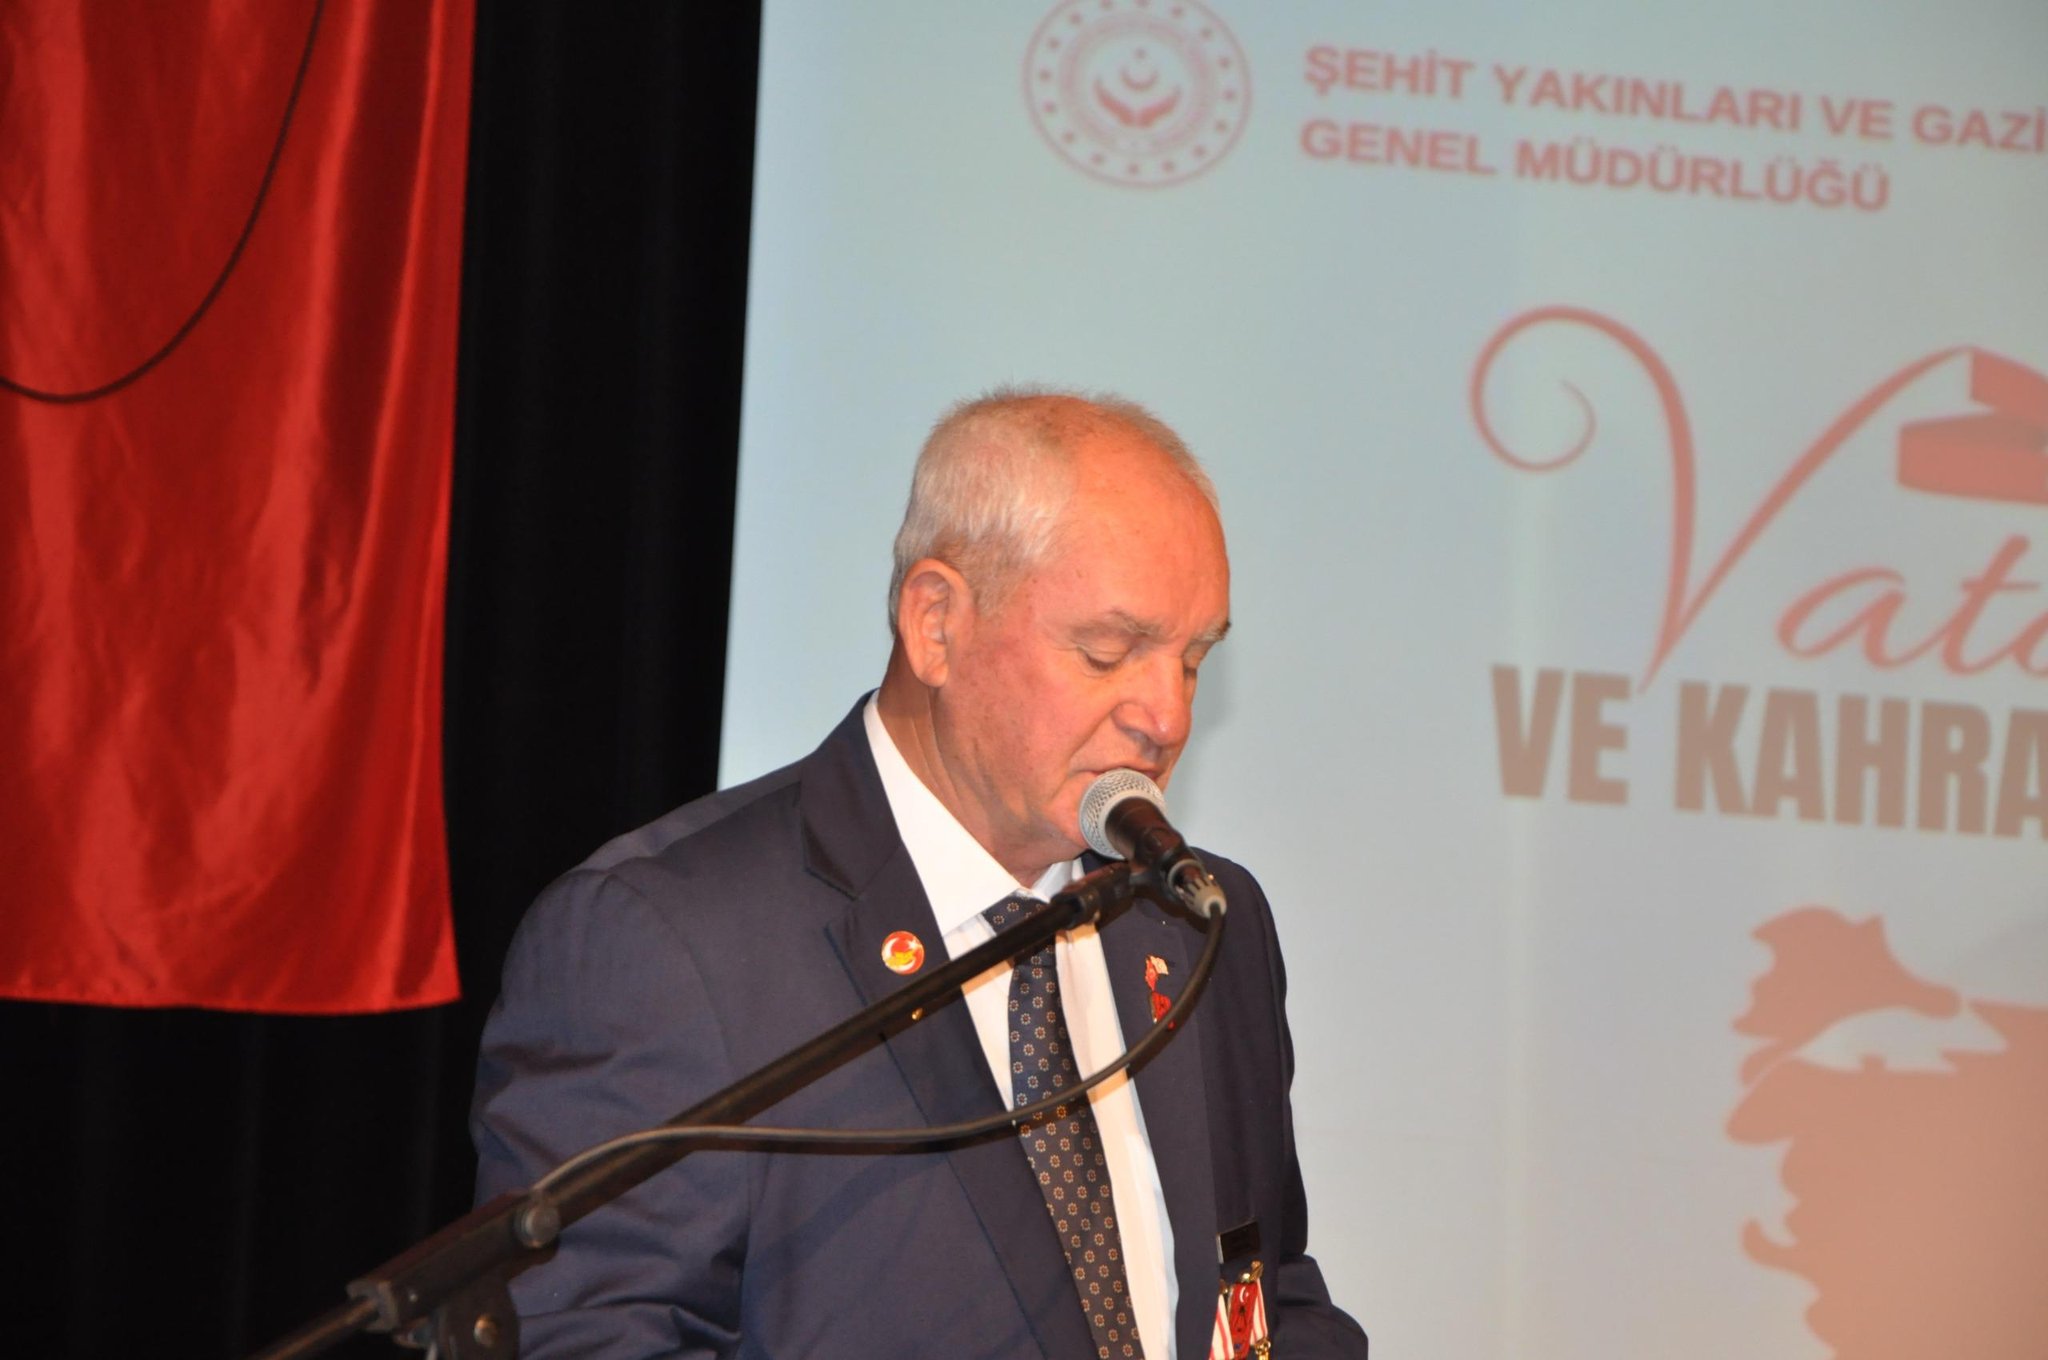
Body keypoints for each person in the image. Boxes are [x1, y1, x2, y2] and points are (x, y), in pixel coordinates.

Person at [472, 390, 1369, 1358]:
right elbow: (588, 1338)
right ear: (935, 623)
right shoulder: (665, 943)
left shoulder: (1199, 923)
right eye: (1108, 652)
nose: (1167, 715)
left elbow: (1268, 1293)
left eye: (1192, 661)